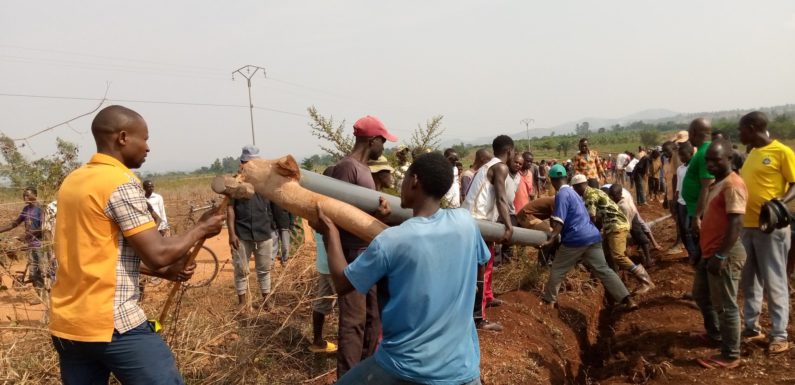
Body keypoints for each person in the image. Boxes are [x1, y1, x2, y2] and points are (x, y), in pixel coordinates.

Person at [50, 105, 224, 385]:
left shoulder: (74, 180)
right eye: (144, 138)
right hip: (113, 324)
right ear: (122, 137)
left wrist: (162, 273)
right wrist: (202, 227)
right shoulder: (118, 182)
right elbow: (157, 253)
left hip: (68, 327)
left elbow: (95, 254)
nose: (148, 147)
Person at [318, 152, 488, 385]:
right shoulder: (466, 223)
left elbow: (342, 283)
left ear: (414, 181)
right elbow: (428, 239)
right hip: (463, 369)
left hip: (406, 368)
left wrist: (331, 233)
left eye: (405, 177)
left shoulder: (391, 241)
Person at [329, 115, 396, 377]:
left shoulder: (364, 169)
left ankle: (366, 373)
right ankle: (348, 377)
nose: (385, 146)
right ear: (373, 140)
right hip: (352, 254)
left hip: (367, 253)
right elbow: (341, 214)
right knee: (353, 322)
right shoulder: (348, 168)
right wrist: (377, 219)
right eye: (383, 140)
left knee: (373, 318)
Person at [539, 165, 637, 310]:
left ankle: (549, 301)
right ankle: (628, 300)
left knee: (557, 269)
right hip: (593, 236)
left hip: (576, 238)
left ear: (552, 180)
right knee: (604, 270)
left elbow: (559, 221)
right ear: (565, 177)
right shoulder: (575, 194)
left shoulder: (562, 194)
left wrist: (551, 238)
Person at [738, 111, 795, 354]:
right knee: (749, 280)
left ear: (752, 128)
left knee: (775, 280)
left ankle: (779, 334)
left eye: (741, 129)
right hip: (747, 226)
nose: (739, 134)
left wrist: (778, 203)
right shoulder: (752, 153)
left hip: (771, 227)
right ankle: (752, 327)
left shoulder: (782, 152)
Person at [692, 139, 747, 369]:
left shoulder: (733, 185)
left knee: (726, 305)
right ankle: (715, 334)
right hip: (710, 252)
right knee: (701, 295)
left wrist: (721, 256)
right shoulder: (719, 182)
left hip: (725, 253)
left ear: (729, 159)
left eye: (717, 160)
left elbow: (736, 222)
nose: (711, 164)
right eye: (708, 160)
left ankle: (731, 354)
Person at [461, 135, 515, 330]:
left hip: (471, 220)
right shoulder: (500, 167)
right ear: (510, 151)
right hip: (479, 223)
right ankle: (477, 319)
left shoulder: (486, 166)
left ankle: (475, 311)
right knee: (480, 268)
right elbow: (501, 198)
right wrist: (509, 227)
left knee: (479, 267)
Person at [571, 175, 654, 294]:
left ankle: (645, 281)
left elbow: (592, 219)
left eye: (574, 188)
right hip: (612, 226)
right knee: (603, 255)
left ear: (578, 186)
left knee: (618, 256)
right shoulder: (594, 192)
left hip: (616, 226)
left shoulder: (590, 196)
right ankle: (604, 283)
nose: (574, 191)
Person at [228, 146, 277, 311]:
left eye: (255, 163)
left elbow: (271, 205)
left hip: (263, 232)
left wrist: (273, 226)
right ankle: (242, 303)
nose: (250, 166)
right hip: (241, 233)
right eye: (247, 162)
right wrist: (232, 234)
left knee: (264, 270)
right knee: (241, 270)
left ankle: (266, 300)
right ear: (242, 163)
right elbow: (230, 209)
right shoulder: (235, 183)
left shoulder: (265, 182)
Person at [604, 184, 663, 268]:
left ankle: (647, 259)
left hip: (629, 216)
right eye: (610, 197)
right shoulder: (607, 197)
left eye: (613, 196)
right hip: (620, 217)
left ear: (619, 195)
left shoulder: (626, 205)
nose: (611, 198)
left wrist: (624, 240)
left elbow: (627, 226)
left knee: (638, 232)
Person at [682, 118, 715, 265]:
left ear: (694, 133)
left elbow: (706, 186)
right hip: (696, 209)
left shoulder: (704, 153)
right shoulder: (702, 151)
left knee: (705, 252)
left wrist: (697, 217)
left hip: (701, 212)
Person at [0, 187, 45, 292]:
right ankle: (39, 294)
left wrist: (26, 235)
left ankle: (44, 294)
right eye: (24, 195)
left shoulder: (41, 209)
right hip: (31, 244)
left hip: (40, 244)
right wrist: (1, 229)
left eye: (28, 195)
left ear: (35, 195)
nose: (25, 197)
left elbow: (43, 228)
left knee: (41, 270)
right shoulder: (26, 209)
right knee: (34, 271)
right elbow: (15, 223)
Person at [675, 142, 699, 264]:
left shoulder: (694, 167)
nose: (682, 158)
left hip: (691, 203)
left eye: (684, 155)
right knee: (683, 230)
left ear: (691, 153)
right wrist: (676, 200)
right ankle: (691, 252)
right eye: (680, 156)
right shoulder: (680, 168)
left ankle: (694, 254)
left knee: (689, 229)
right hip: (681, 203)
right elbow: (678, 187)